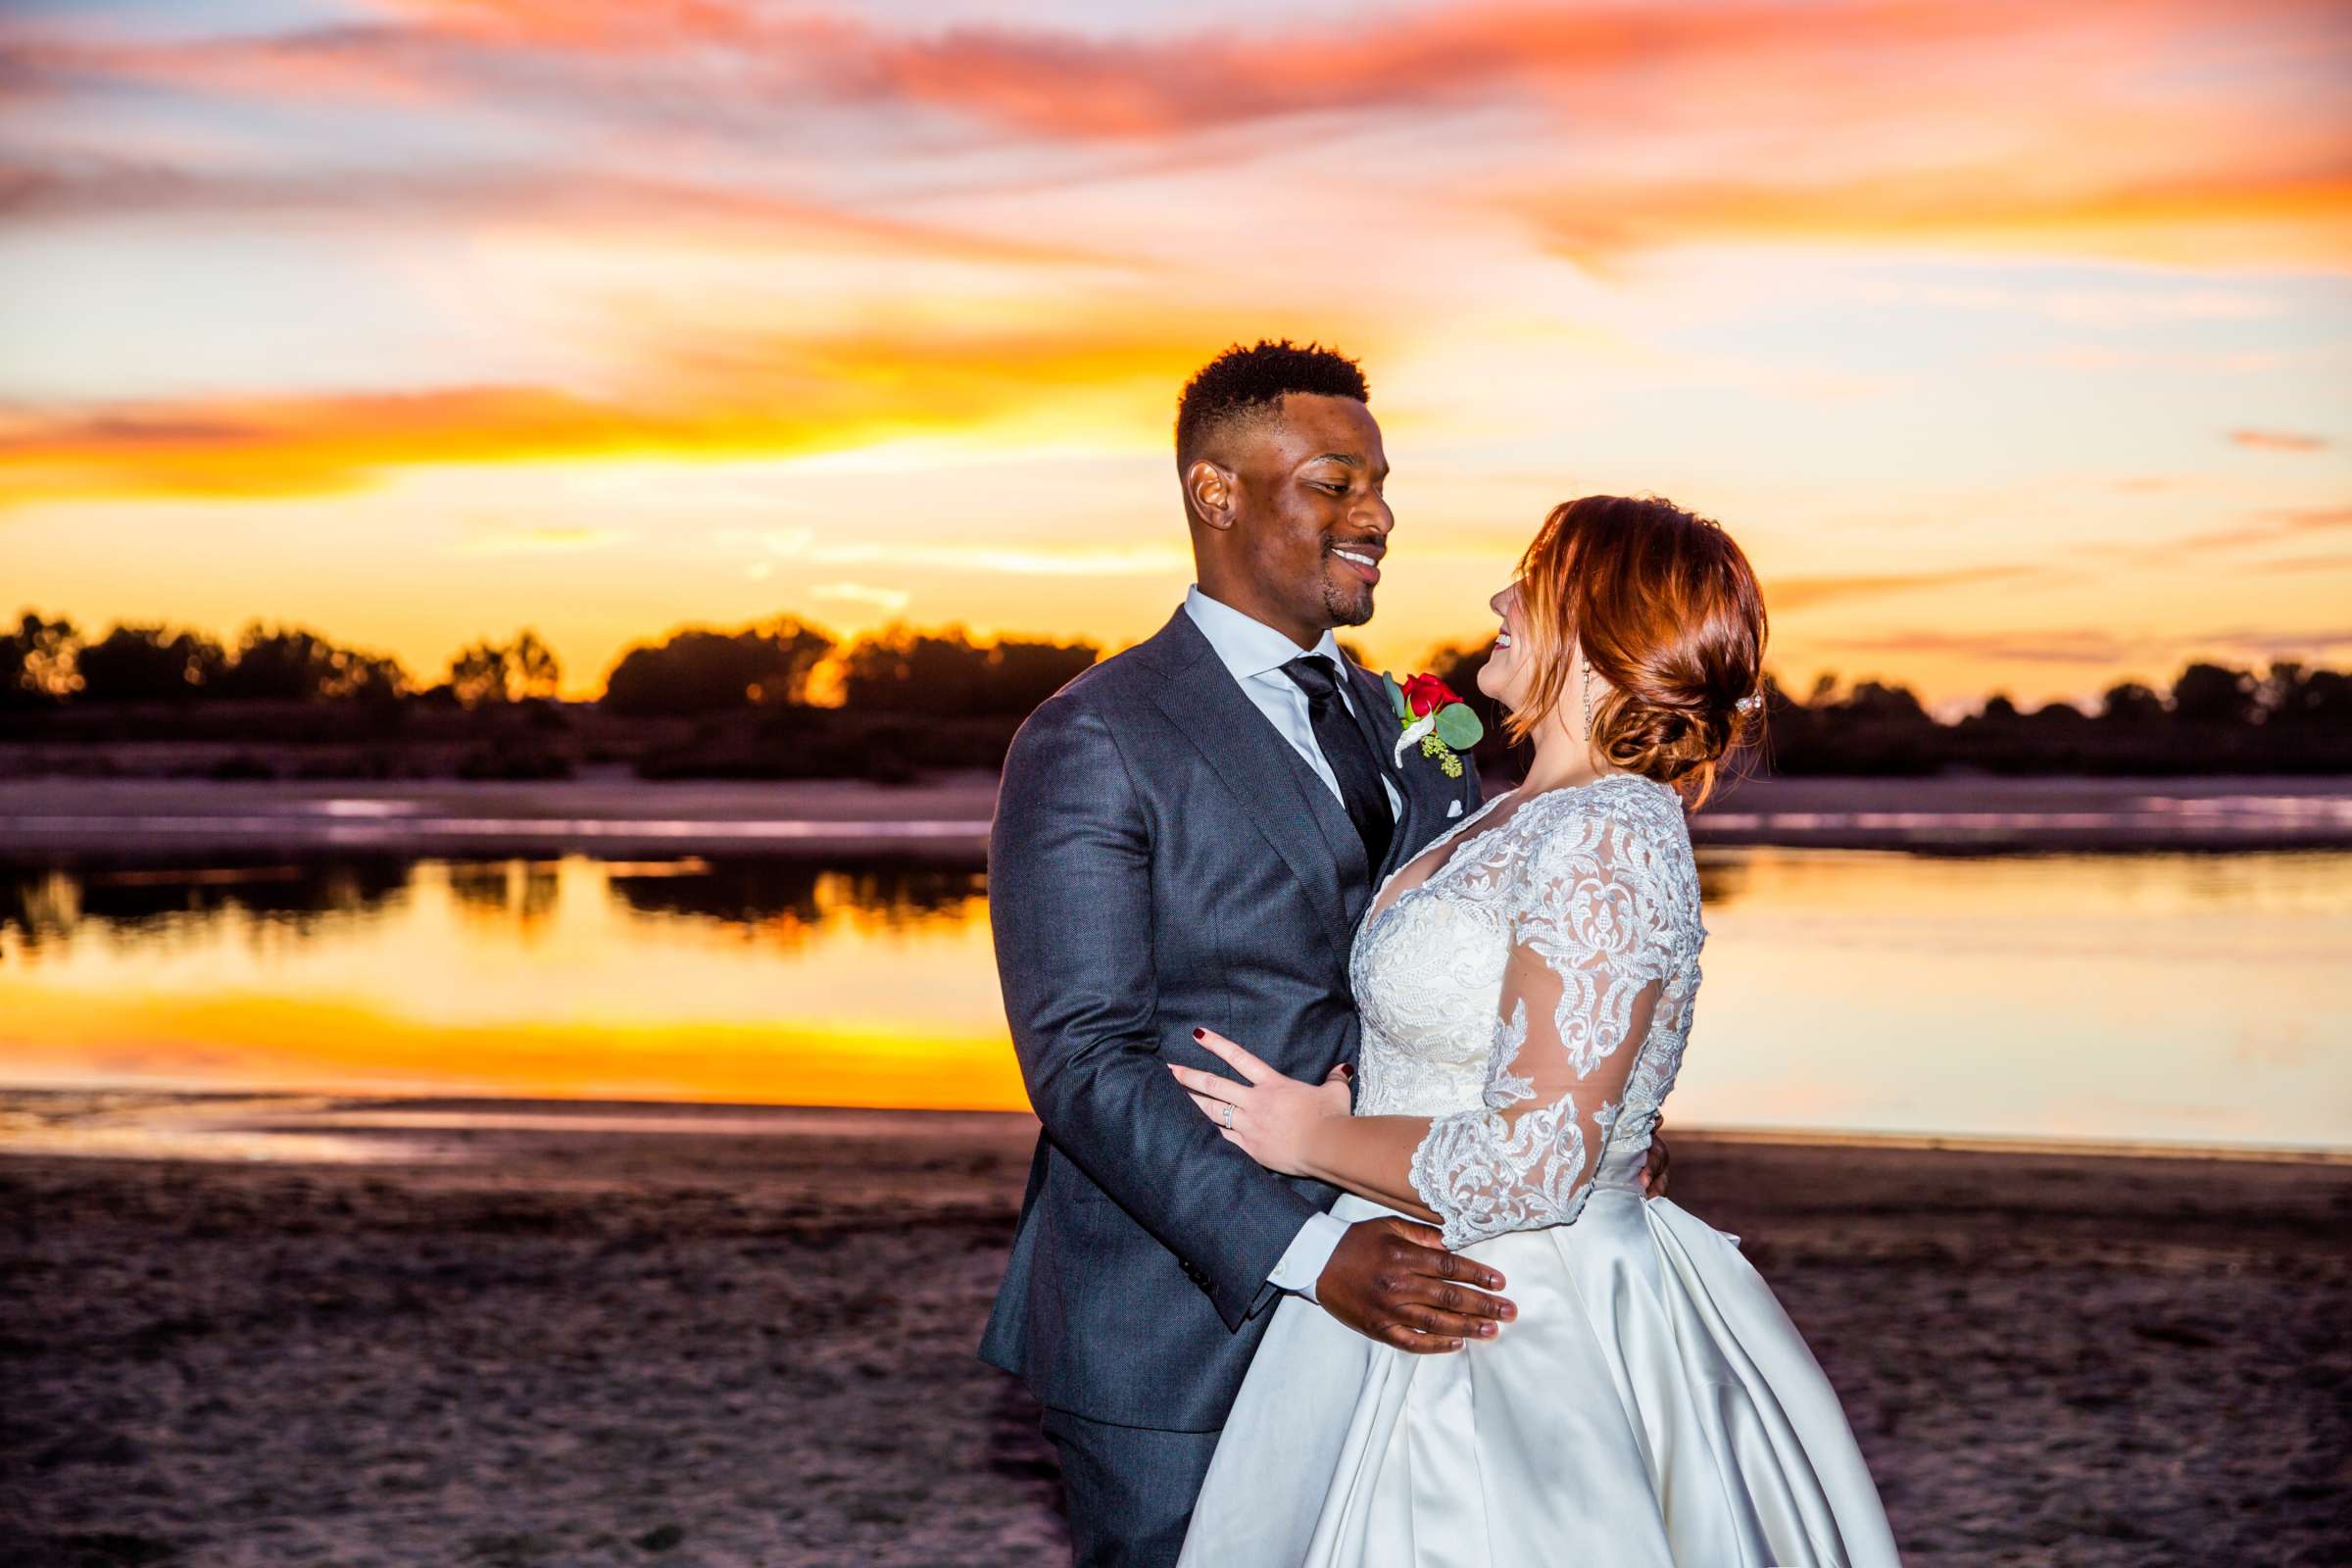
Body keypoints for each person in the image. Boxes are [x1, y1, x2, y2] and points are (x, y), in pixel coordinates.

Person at [980, 341, 1665, 1566]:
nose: (1380, 514)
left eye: (1383, 482)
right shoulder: (1092, 736)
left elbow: (1516, 965)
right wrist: (1312, 1252)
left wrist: (1589, 1116)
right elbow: (1082, 1060)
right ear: (1218, 493)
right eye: (1336, 482)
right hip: (1177, 1321)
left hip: (1417, 1277)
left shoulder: (1405, 718)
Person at [1169, 495, 1902, 1566]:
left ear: (1604, 627)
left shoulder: (1611, 829)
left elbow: (1534, 1165)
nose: (1499, 600)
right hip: (1415, 1263)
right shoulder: (1514, 811)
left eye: (1533, 581)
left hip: (1518, 1311)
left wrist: (1308, 1137)